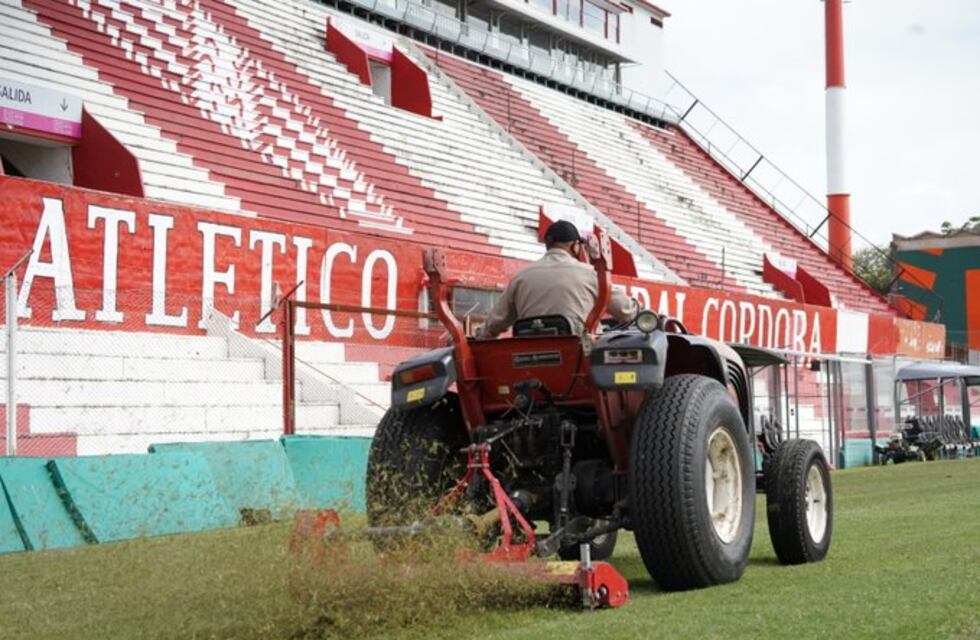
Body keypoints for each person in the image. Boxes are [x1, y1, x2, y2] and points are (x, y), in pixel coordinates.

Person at [481, 220, 638, 337]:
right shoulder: (591, 274)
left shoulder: (521, 277)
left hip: (528, 358)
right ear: (575, 246)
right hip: (579, 358)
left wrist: (480, 336)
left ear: (548, 244)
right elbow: (626, 311)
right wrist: (640, 310)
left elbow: (495, 322)